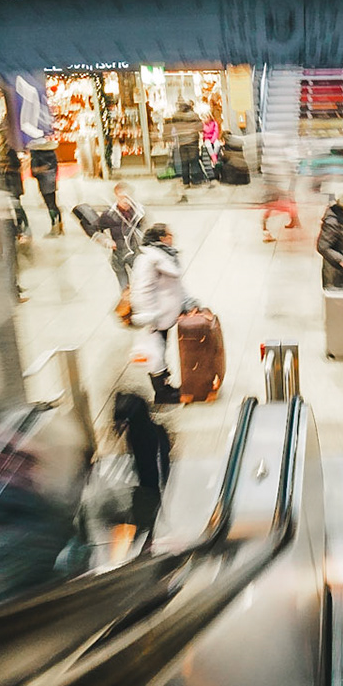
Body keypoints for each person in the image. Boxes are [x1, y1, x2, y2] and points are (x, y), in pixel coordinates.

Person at [129, 222, 190, 403]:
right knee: (155, 351)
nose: (173, 237)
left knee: (161, 349)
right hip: (155, 316)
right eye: (169, 235)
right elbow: (141, 289)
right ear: (161, 238)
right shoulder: (149, 260)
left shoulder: (164, 256)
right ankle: (162, 393)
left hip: (164, 314)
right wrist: (148, 315)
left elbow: (174, 285)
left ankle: (166, 386)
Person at [111, 389, 172, 550]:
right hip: (147, 480)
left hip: (149, 483)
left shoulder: (143, 436)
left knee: (146, 504)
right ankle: (146, 537)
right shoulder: (146, 432)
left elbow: (156, 468)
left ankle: (147, 538)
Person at [95, 181, 146, 290]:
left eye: (128, 197)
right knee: (124, 286)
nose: (125, 201)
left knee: (142, 282)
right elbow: (97, 230)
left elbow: (145, 229)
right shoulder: (109, 215)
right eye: (122, 197)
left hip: (135, 252)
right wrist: (106, 241)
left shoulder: (138, 212)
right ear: (116, 196)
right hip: (118, 254)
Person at [27, 142, 64, 235]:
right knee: (54, 204)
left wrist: (38, 170)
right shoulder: (52, 155)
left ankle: (54, 226)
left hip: (44, 182)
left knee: (50, 205)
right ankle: (59, 225)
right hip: (52, 182)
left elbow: (34, 171)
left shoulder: (37, 156)